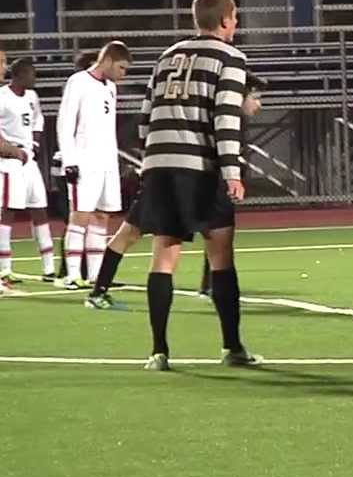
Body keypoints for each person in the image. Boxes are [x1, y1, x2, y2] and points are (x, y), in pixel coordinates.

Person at [132, 0, 255, 371]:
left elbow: (144, 118)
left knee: (163, 257)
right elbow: (225, 118)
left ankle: (158, 351)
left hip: (160, 163)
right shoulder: (231, 57)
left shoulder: (167, 56)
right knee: (220, 255)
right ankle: (232, 347)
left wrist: (151, 161)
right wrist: (232, 172)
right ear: (225, 20)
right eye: (235, 16)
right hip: (200, 166)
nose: (236, 22)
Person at [84, 71, 267, 310]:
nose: (258, 104)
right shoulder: (222, 116)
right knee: (200, 232)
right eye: (255, 97)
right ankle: (100, 292)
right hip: (187, 178)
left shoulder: (190, 106)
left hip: (165, 173)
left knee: (134, 233)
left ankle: (100, 291)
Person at [55, 41, 131, 289]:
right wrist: (70, 160)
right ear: (107, 60)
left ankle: (96, 276)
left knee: (101, 216)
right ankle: (72, 275)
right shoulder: (78, 82)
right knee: (80, 215)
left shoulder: (110, 87)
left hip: (106, 162)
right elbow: (65, 122)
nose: (123, 74)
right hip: (84, 160)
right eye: (121, 67)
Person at [0, 58, 58, 284]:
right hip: (9, 160)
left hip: (29, 158)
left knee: (40, 208)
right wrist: (11, 149)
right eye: (31, 73)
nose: (35, 78)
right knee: (8, 211)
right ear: (19, 74)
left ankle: (49, 267)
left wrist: (33, 144)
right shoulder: (2, 96)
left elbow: (37, 121)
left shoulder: (32, 97)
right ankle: (5, 268)